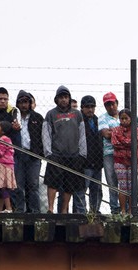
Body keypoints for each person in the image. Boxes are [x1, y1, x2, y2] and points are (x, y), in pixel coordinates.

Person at [42, 85, 86, 213]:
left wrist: (82, 153)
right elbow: (46, 134)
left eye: (66, 97)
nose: (63, 100)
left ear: (69, 98)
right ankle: (50, 208)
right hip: (56, 154)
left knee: (69, 184)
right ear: (56, 99)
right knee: (52, 182)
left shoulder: (77, 114)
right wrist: (48, 153)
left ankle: (64, 210)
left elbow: (82, 134)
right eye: (61, 97)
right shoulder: (51, 114)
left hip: (73, 155)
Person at [13, 91, 43, 213]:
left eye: (26, 102)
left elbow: (43, 136)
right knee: (18, 185)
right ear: (18, 104)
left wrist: (39, 152)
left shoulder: (38, 117)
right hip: (18, 155)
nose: (24, 105)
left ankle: (34, 212)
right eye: (21, 102)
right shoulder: (14, 117)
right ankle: (20, 210)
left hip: (33, 155)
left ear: (30, 103)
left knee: (33, 185)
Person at [111, 109, 138, 215]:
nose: (123, 121)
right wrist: (128, 142)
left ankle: (130, 210)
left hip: (134, 160)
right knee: (123, 185)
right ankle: (123, 210)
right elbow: (115, 143)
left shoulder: (137, 130)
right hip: (120, 160)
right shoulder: (115, 130)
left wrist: (122, 140)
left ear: (131, 119)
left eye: (126, 118)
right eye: (121, 118)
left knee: (131, 185)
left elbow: (135, 142)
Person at [79, 95, 104, 213]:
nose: (90, 109)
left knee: (97, 189)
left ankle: (94, 211)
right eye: (87, 107)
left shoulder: (97, 120)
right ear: (82, 108)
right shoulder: (79, 120)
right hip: (85, 161)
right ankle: (81, 212)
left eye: (92, 107)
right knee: (82, 188)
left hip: (97, 161)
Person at [98, 92, 121, 214]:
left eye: (112, 104)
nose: (111, 107)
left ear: (116, 103)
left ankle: (127, 208)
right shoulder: (102, 118)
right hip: (109, 153)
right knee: (112, 182)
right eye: (108, 105)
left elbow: (133, 132)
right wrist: (122, 132)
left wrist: (114, 132)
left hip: (125, 153)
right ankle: (114, 208)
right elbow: (106, 135)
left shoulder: (125, 115)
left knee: (125, 182)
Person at [0, 121, 17, 212]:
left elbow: (0, 153)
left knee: (3, 188)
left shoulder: (2, 139)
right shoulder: (8, 139)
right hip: (9, 166)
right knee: (2, 188)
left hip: (2, 166)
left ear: (3, 131)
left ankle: (8, 208)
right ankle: (0, 209)